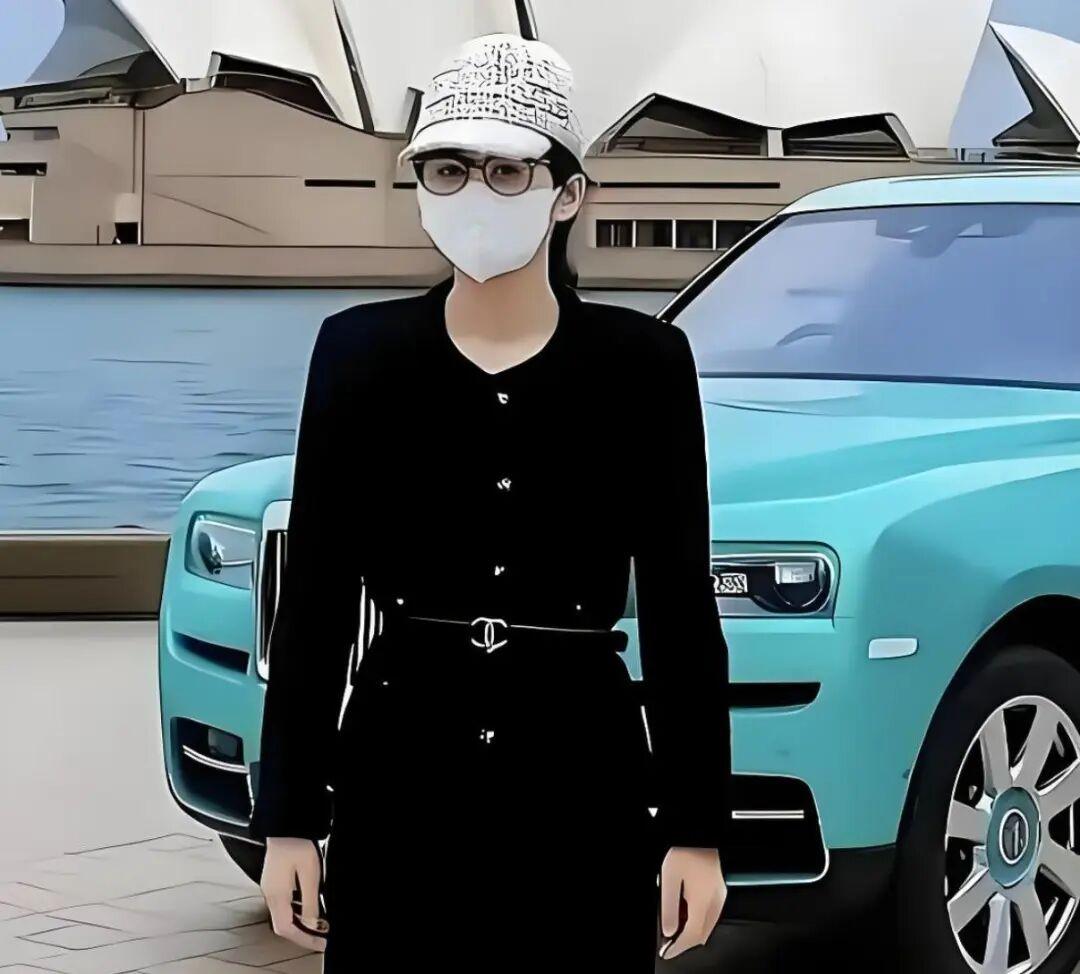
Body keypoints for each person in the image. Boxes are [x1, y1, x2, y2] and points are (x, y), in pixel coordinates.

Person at [248, 32, 732, 972]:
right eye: (448, 169)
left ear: (568, 193)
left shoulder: (643, 366)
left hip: (581, 775)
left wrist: (696, 829)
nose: (474, 194)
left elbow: (681, 607)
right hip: (401, 770)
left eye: (506, 171)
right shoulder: (357, 355)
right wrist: (290, 819)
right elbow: (314, 601)